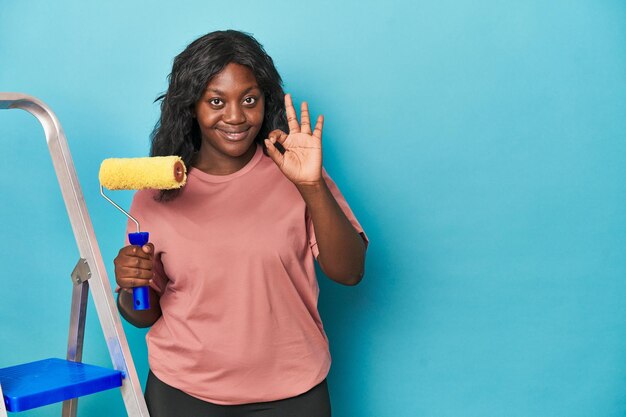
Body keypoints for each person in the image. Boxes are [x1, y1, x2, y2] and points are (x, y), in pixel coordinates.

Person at [114, 30, 368, 417]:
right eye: (216, 101)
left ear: (265, 101)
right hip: (183, 395)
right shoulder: (156, 190)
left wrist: (312, 186)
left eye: (249, 100)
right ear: (191, 107)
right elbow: (143, 315)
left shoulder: (297, 173)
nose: (235, 116)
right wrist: (132, 287)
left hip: (293, 394)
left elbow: (350, 272)